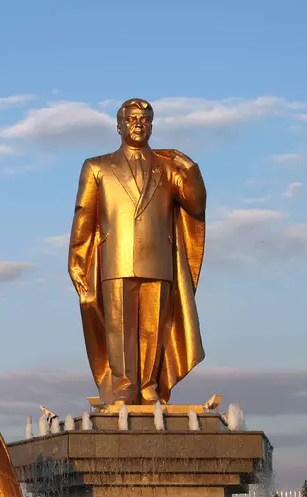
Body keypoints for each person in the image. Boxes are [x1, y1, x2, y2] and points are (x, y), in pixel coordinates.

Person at [69, 98, 207, 406]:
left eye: (144, 119)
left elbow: (195, 205)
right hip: (115, 259)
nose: (138, 124)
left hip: (158, 260)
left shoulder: (167, 168)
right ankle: (123, 387)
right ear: (118, 126)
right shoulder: (97, 166)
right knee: (119, 328)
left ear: (152, 126)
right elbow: (83, 215)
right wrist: (77, 260)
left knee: (153, 329)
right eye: (131, 119)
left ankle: (148, 386)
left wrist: (189, 167)